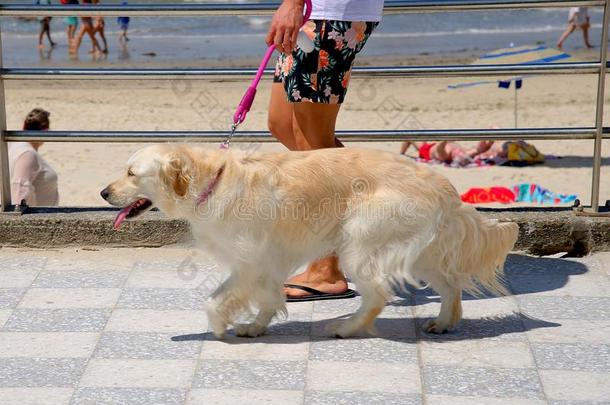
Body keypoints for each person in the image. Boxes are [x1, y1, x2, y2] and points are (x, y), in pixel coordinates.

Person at [267, 0, 384, 300]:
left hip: (326, 16)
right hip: (312, 16)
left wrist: (293, 3)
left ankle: (326, 271)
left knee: (313, 147)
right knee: (282, 124)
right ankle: (371, 207)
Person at [9, 108, 59, 207]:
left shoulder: (15, 146)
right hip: (37, 220)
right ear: (45, 131)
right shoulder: (28, 154)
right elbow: (20, 188)